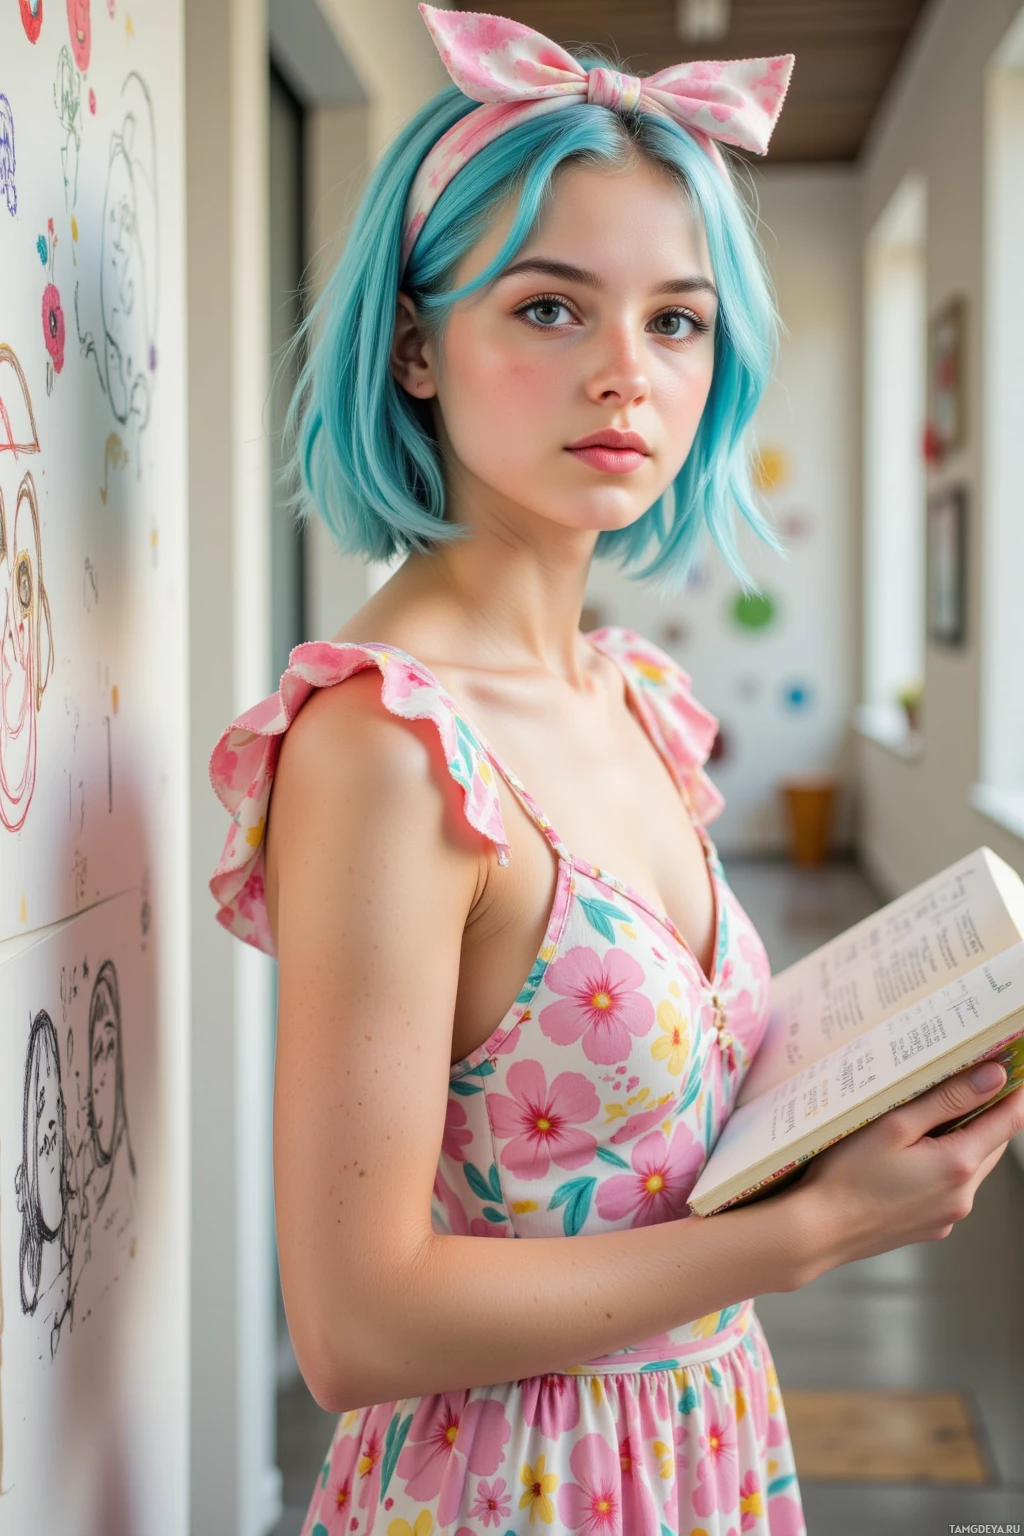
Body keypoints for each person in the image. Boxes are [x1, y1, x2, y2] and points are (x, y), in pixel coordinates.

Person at [209, 10, 1024, 1532]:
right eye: (548, 309)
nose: (625, 377)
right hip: (511, 1487)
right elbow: (354, 1328)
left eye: (675, 319)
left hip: (701, 1448)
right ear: (414, 344)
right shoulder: (388, 748)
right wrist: (809, 1239)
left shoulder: (630, 695)